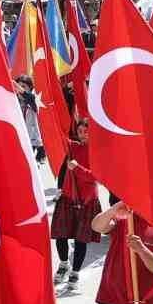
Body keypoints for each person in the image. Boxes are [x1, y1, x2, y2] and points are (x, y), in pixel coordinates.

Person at [51, 116, 101, 288]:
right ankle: (63, 264)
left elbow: (96, 177)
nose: (82, 135)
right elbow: (56, 132)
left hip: (87, 200)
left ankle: (75, 272)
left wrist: (77, 168)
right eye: (80, 131)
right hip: (68, 197)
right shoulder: (72, 147)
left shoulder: (98, 151)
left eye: (86, 132)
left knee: (81, 240)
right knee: (61, 235)